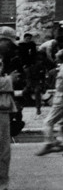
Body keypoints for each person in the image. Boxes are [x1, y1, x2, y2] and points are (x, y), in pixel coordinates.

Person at [0, 57, 18, 190]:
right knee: (3, 147)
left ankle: (3, 179)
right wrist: (9, 79)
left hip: (3, 111)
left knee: (4, 147)